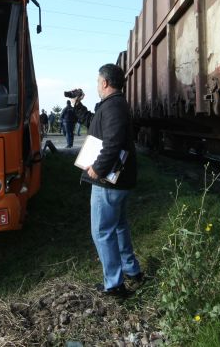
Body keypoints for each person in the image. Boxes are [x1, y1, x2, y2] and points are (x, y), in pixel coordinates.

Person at [72, 63, 141, 297]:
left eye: (97, 81)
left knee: (102, 231)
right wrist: (77, 106)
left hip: (109, 182)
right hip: (119, 182)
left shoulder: (113, 107)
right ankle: (132, 271)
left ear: (104, 83)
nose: (96, 85)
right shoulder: (114, 105)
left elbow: (113, 142)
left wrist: (98, 169)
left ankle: (114, 284)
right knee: (118, 227)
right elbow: (95, 124)